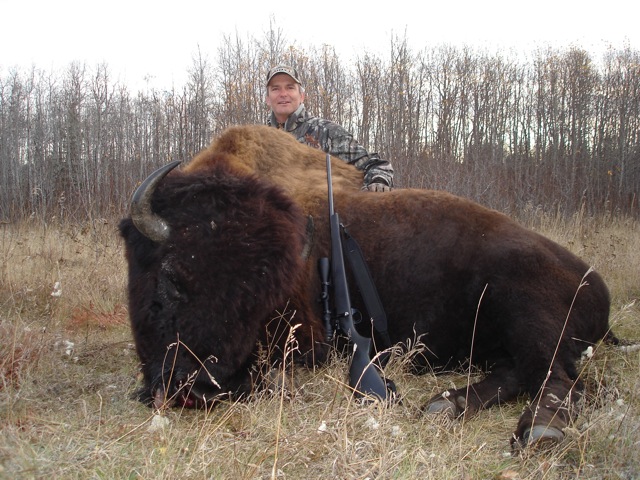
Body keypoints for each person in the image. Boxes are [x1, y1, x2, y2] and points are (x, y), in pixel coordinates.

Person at [265, 65, 394, 191]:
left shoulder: (328, 132)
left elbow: (376, 165)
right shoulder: (261, 141)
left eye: (290, 87)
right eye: (276, 89)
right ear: (268, 99)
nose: (283, 94)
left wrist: (378, 181)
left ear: (302, 96)